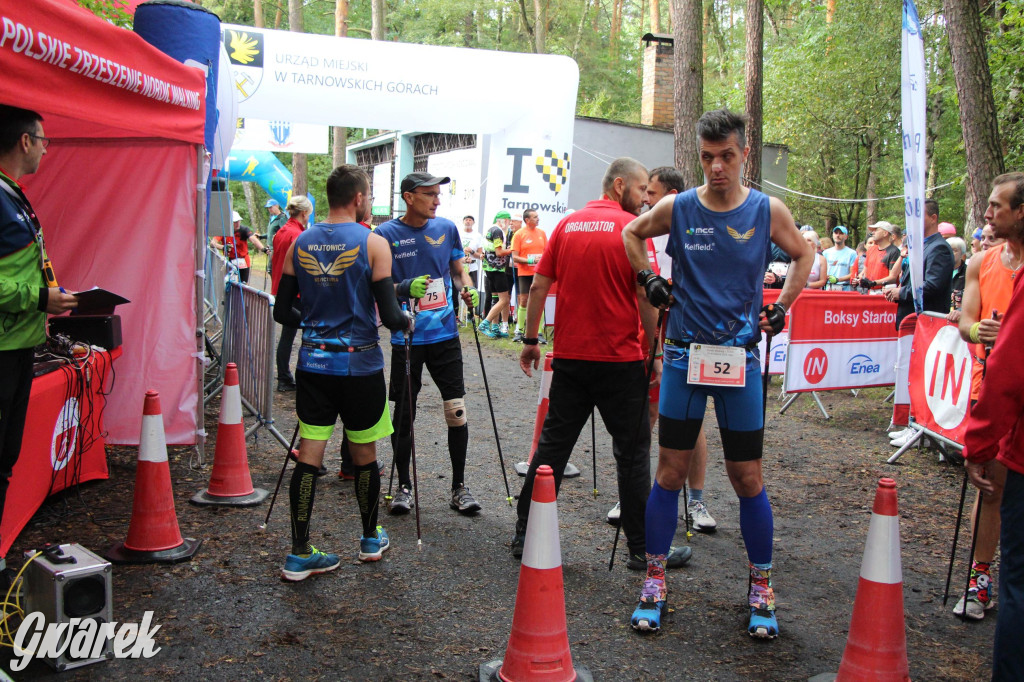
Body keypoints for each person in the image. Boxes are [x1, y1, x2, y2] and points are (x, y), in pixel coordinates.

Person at [622, 108, 813, 637]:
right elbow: (632, 235)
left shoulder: (766, 209)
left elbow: (803, 255)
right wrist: (650, 279)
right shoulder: (679, 206)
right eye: (707, 158)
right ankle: (655, 583)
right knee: (669, 473)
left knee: (746, 477)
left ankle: (761, 586)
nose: (716, 167)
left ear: (744, 154)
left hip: (740, 358)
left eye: (726, 156)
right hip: (685, 354)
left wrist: (783, 306)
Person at [511, 157, 691, 573]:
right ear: (619, 185)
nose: (646, 199)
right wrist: (657, 352)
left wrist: (532, 340)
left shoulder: (568, 224)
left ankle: (525, 534)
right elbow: (645, 296)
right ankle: (641, 549)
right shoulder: (630, 232)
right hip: (620, 361)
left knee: (551, 450)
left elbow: (538, 284)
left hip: (572, 359)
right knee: (631, 456)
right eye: (642, 189)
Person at [272, 165, 414, 579]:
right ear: (358, 198)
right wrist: (406, 320)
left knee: (310, 457)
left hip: (314, 364)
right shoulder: (374, 243)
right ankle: (370, 538)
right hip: (361, 365)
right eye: (367, 194)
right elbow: (388, 317)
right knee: (364, 454)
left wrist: (317, 323)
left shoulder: (300, 243)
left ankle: (300, 552)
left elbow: (282, 311)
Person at [376, 172, 482, 515]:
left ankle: (459, 487)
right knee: (405, 414)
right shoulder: (385, 235)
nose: (437, 200)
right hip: (406, 337)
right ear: (409, 197)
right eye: (430, 194)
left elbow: (458, 269)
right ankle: (404, 486)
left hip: (445, 335)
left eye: (439, 194)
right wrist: (404, 287)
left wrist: (467, 287)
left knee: (456, 411)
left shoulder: (447, 228)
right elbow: (375, 287)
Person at [0, 106, 78, 564]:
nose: (47, 148)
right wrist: (37, 298)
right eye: (44, 140)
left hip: (19, 343)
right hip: (5, 346)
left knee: (5, 460)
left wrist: (49, 296)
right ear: (25, 141)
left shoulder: (13, 195)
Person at [954, 173, 1024, 622]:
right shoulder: (982, 261)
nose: (987, 212)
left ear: (1019, 212)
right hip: (991, 386)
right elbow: (964, 322)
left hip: (1016, 386)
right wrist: (982, 331)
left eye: (997, 205)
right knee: (992, 488)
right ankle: (981, 580)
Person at [886, 198, 954, 328]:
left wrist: (901, 292)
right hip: (911, 319)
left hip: (927, 323)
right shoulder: (920, 246)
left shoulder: (939, 248)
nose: (913, 221)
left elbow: (933, 286)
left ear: (933, 218)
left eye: (918, 215)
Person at [271, 195, 313, 391]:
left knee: (287, 336)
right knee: (300, 334)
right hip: (294, 292)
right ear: (304, 213)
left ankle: (285, 376)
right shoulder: (297, 234)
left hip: (281, 289)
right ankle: (288, 377)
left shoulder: (282, 231)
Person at [510, 209, 548, 343]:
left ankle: (539, 333)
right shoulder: (519, 234)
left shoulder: (542, 234)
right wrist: (530, 261)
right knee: (524, 300)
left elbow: (547, 253)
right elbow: (515, 258)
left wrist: (543, 260)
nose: (538, 219)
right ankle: (520, 331)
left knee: (540, 300)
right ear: (527, 220)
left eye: (538, 217)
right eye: (535, 217)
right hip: (525, 272)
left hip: (539, 273)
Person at [479, 211, 512, 338]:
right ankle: (485, 323)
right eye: (508, 221)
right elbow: (499, 252)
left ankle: (495, 328)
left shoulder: (490, 229)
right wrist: (510, 250)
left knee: (495, 299)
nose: (508, 224)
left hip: (489, 268)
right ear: (502, 220)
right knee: (505, 299)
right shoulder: (497, 231)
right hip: (497, 269)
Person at [212, 211, 267, 284]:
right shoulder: (224, 230)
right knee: (230, 283)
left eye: (239, 221)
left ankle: (242, 295)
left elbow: (253, 240)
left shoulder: (244, 230)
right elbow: (212, 243)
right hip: (230, 260)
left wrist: (263, 249)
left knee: (244, 284)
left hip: (243, 260)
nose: (237, 223)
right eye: (235, 222)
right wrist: (223, 247)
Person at [459, 215, 484, 324]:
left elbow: (480, 255)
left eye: (470, 220)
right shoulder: (458, 233)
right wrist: (461, 259)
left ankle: (470, 314)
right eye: (466, 220)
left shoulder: (477, 236)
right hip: (459, 265)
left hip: (472, 266)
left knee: (471, 289)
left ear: (473, 223)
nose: (468, 222)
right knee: (457, 289)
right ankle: (456, 314)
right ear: (463, 222)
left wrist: (472, 252)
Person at [823, 225, 856, 290]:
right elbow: (822, 271)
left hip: (845, 287)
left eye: (841, 233)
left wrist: (838, 279)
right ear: (832, 235)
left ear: (846, 237)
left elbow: (853, 273)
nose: (838, 235)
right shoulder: (826, 253)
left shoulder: (852, 253)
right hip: (829, 287)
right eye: (836, 233)